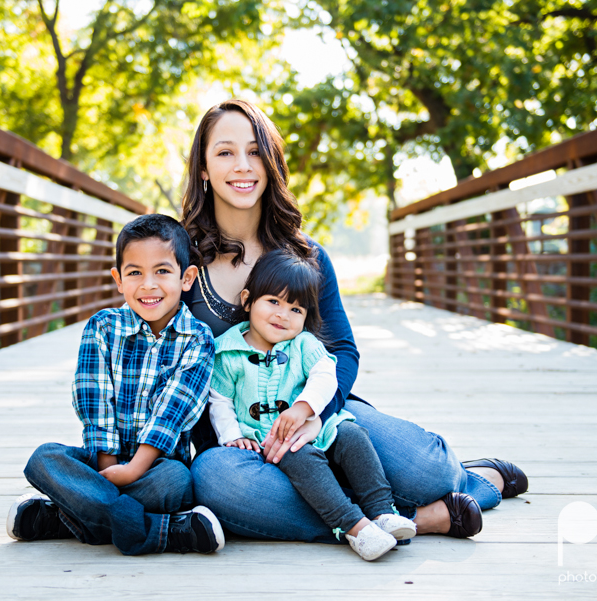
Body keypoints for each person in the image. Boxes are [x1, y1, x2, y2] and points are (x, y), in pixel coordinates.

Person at [181, 99, 529, 544]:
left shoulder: (307, 256)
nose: (243, 166)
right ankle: (414, 518)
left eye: (255, 151)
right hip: (239, 444)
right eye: (225, 152)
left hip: (323, 415)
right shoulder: (182, 259)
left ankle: (466, 482)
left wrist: (314, 414)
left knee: (428, 470)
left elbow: (342, 352)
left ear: (270, 163)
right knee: (220, 486)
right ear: (204, 168)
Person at [6, 213, 225, 556]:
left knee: (177, 482)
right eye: (135, 272)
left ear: (187, 278)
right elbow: (93, 400)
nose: (148, 284)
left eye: (162, 271)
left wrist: (134, 469)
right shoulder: (103, 327)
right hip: (100, 464)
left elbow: (174, 412)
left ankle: (64, 517)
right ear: (118, 279)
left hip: (154, 468)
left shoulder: (198, 339)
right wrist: (109, 467)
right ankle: (158, 532)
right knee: (44, 459)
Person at [209, 248, 418, 560]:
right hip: (270, 441)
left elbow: (324, 374)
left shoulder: (304, 344)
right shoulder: (228, 351)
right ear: (247, 300)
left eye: (296, 310)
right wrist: (231, 435)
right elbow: (220, 399)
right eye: (273, 302)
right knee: (299, 456)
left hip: (315, 426)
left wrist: (304, 408)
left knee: (353, 436)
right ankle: (353, 526)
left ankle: (382, 512)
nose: (283, 315)